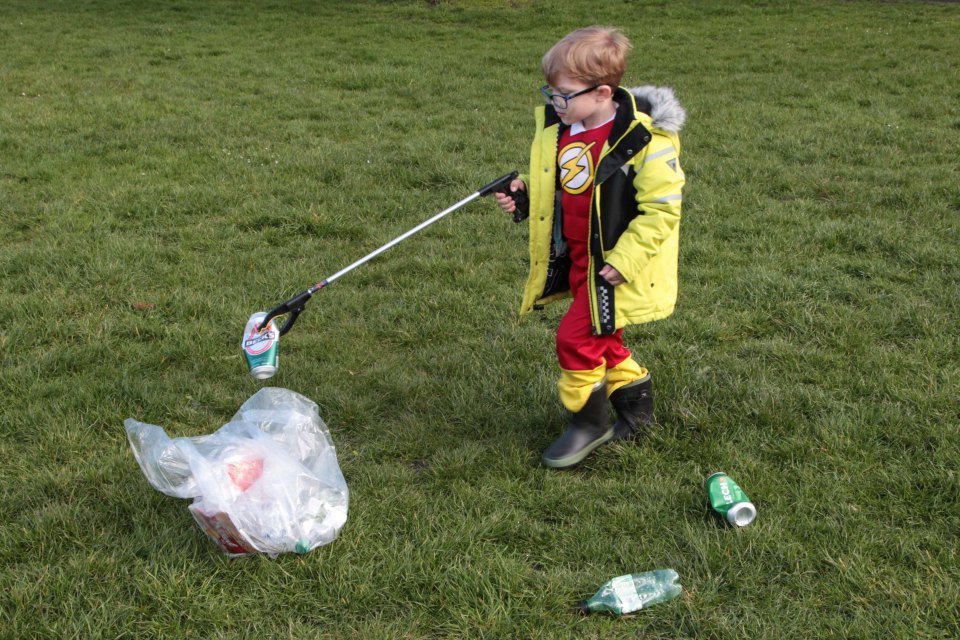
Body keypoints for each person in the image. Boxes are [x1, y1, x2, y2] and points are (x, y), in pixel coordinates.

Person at [495, 26, 686, 468]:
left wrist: (626, 260)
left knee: (574, 338)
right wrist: (524, 197)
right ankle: (637, 412)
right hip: (580, 259)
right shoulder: (561, 131)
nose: (554, 102)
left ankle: (589, 423)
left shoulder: (646, 142)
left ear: (602, 92)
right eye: (551, 91)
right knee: (605, 337)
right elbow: (562, 192)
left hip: (617, 268)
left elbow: (661, 211)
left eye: (562, 94)